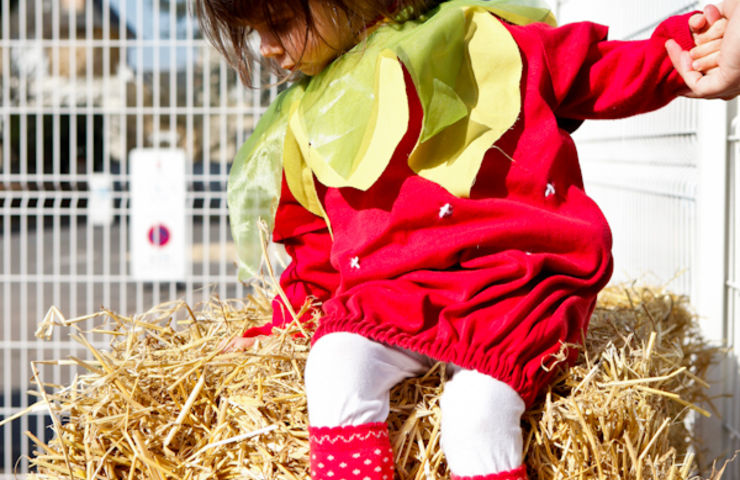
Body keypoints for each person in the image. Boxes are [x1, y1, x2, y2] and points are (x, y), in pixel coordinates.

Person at [193, 0, 739, 479]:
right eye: (254, 32)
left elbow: (593, 67)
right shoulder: (312, 113)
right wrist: (287, 319)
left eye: (280, 22)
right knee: (333, 365)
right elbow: (316, 237)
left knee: (475, 414)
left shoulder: (477, 35)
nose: (264, 47)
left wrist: (677, 51)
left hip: (514, 287)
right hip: (392, 296)